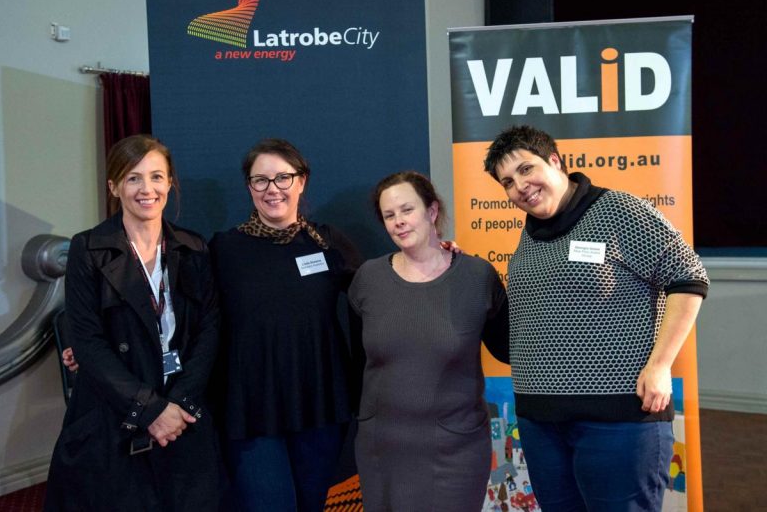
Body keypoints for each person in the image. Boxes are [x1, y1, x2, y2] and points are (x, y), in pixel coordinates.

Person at [483, 125, 709, 511]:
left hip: (618, 418)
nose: (519, 186)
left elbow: (689, 278)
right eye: (507, 181)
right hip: (541, 420)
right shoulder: (532, 234)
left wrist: (660, 365)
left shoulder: (617, 210)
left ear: (554, 161)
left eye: (525, 169)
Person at [44, 135, 221, 511]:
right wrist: (150, 410)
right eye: (133, 178)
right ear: (114, 186)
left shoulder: (194, 247)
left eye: (157, 177)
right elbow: (87, 342)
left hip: (183, 411)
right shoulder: (87, 248)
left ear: (170, 183)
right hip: (114, 413)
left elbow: (209, 329)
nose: (147, 189)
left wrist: (178, 404)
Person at [209, 139, 363, 512]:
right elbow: (184, 317)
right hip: (251, 408)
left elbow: (382, 295)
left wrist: (436, 261)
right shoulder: (223, 249)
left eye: (282, 177)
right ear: (249, 187)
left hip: (319, 402)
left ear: (302, 181)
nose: (272, 189)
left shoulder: (328, 243)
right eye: (260, 180)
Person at [348, 171, 510, 512]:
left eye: (407, 210)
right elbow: (357, 358)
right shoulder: (368, 279)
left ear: (432, 211)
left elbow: (508, 348)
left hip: (456, 450)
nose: (399, 222)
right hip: (383, 449)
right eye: (389, 215)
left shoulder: (476, 276)